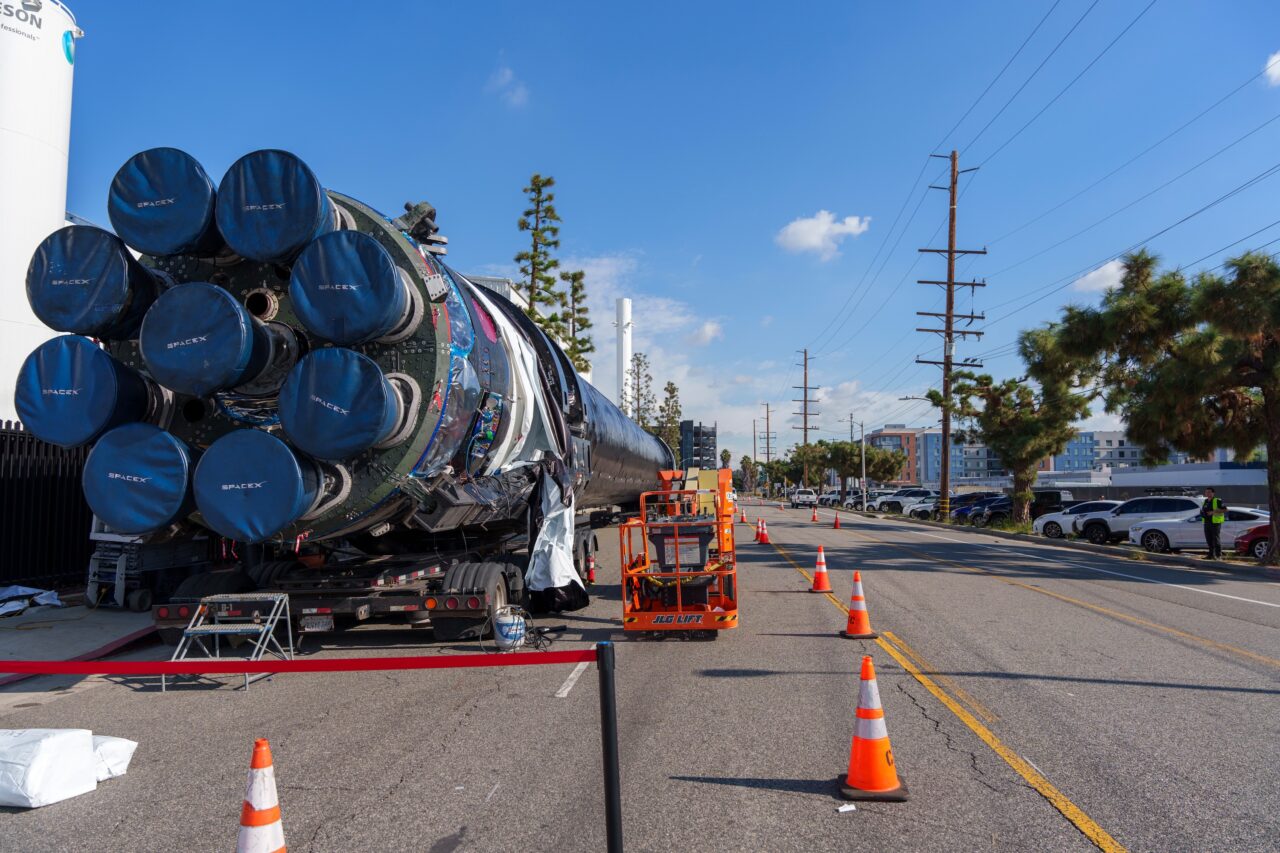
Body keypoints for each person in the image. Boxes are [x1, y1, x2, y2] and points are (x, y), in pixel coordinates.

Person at [1202, 487, 1226, 559]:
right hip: (1206, 522)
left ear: (1213, 493)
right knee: (1208, 539)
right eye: (1206, 492)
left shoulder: (1217, 500)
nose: (1208, 493)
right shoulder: (1205, 501)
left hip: (1215, 523)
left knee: (1215, 539)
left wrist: (1213, 512)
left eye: (1209, 492)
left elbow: (1225, 509)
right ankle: (1211, 555)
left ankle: (1218, 555)